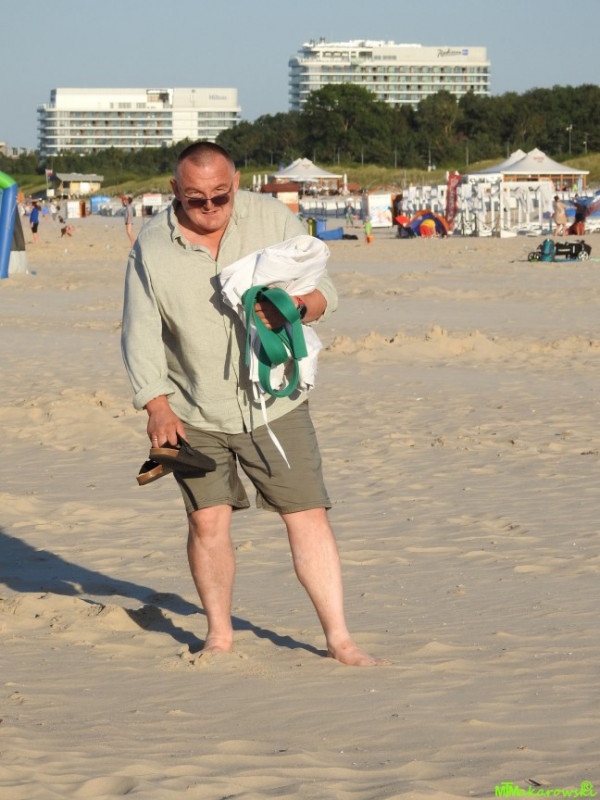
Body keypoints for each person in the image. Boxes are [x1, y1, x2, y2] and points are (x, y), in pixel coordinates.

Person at [121, 141, 388, 667]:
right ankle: (219, 635)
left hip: (275, 402)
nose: (210, 207)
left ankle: (340, 640)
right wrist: (156, 406)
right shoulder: (151, 247)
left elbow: (327, 291)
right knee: (207, 523)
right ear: (175, 190)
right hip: (194, 409)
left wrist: (297, 307)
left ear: (236, 183)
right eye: (195, 198)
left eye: (220, 195)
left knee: (307, 514)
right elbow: (139, 332)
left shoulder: (272, 219)